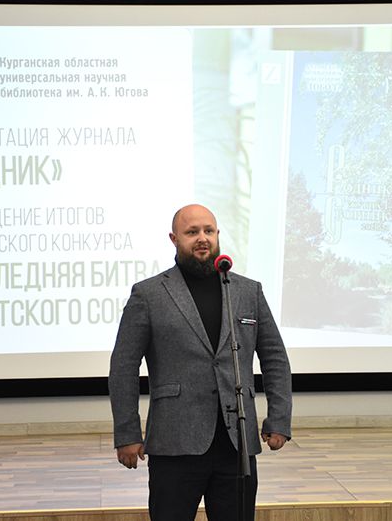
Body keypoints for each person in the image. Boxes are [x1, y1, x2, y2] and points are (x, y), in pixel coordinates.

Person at [109, 203, 292, 521]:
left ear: (218, 234)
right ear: (174, 239)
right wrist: (127, 433)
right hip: (174, 443)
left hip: (236, 444)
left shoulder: (248, 291)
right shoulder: (149, 294)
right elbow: (123, 367)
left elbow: (275, 358)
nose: (202, 238)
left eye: (208, 230)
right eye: (192, 232)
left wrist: (279, 419)